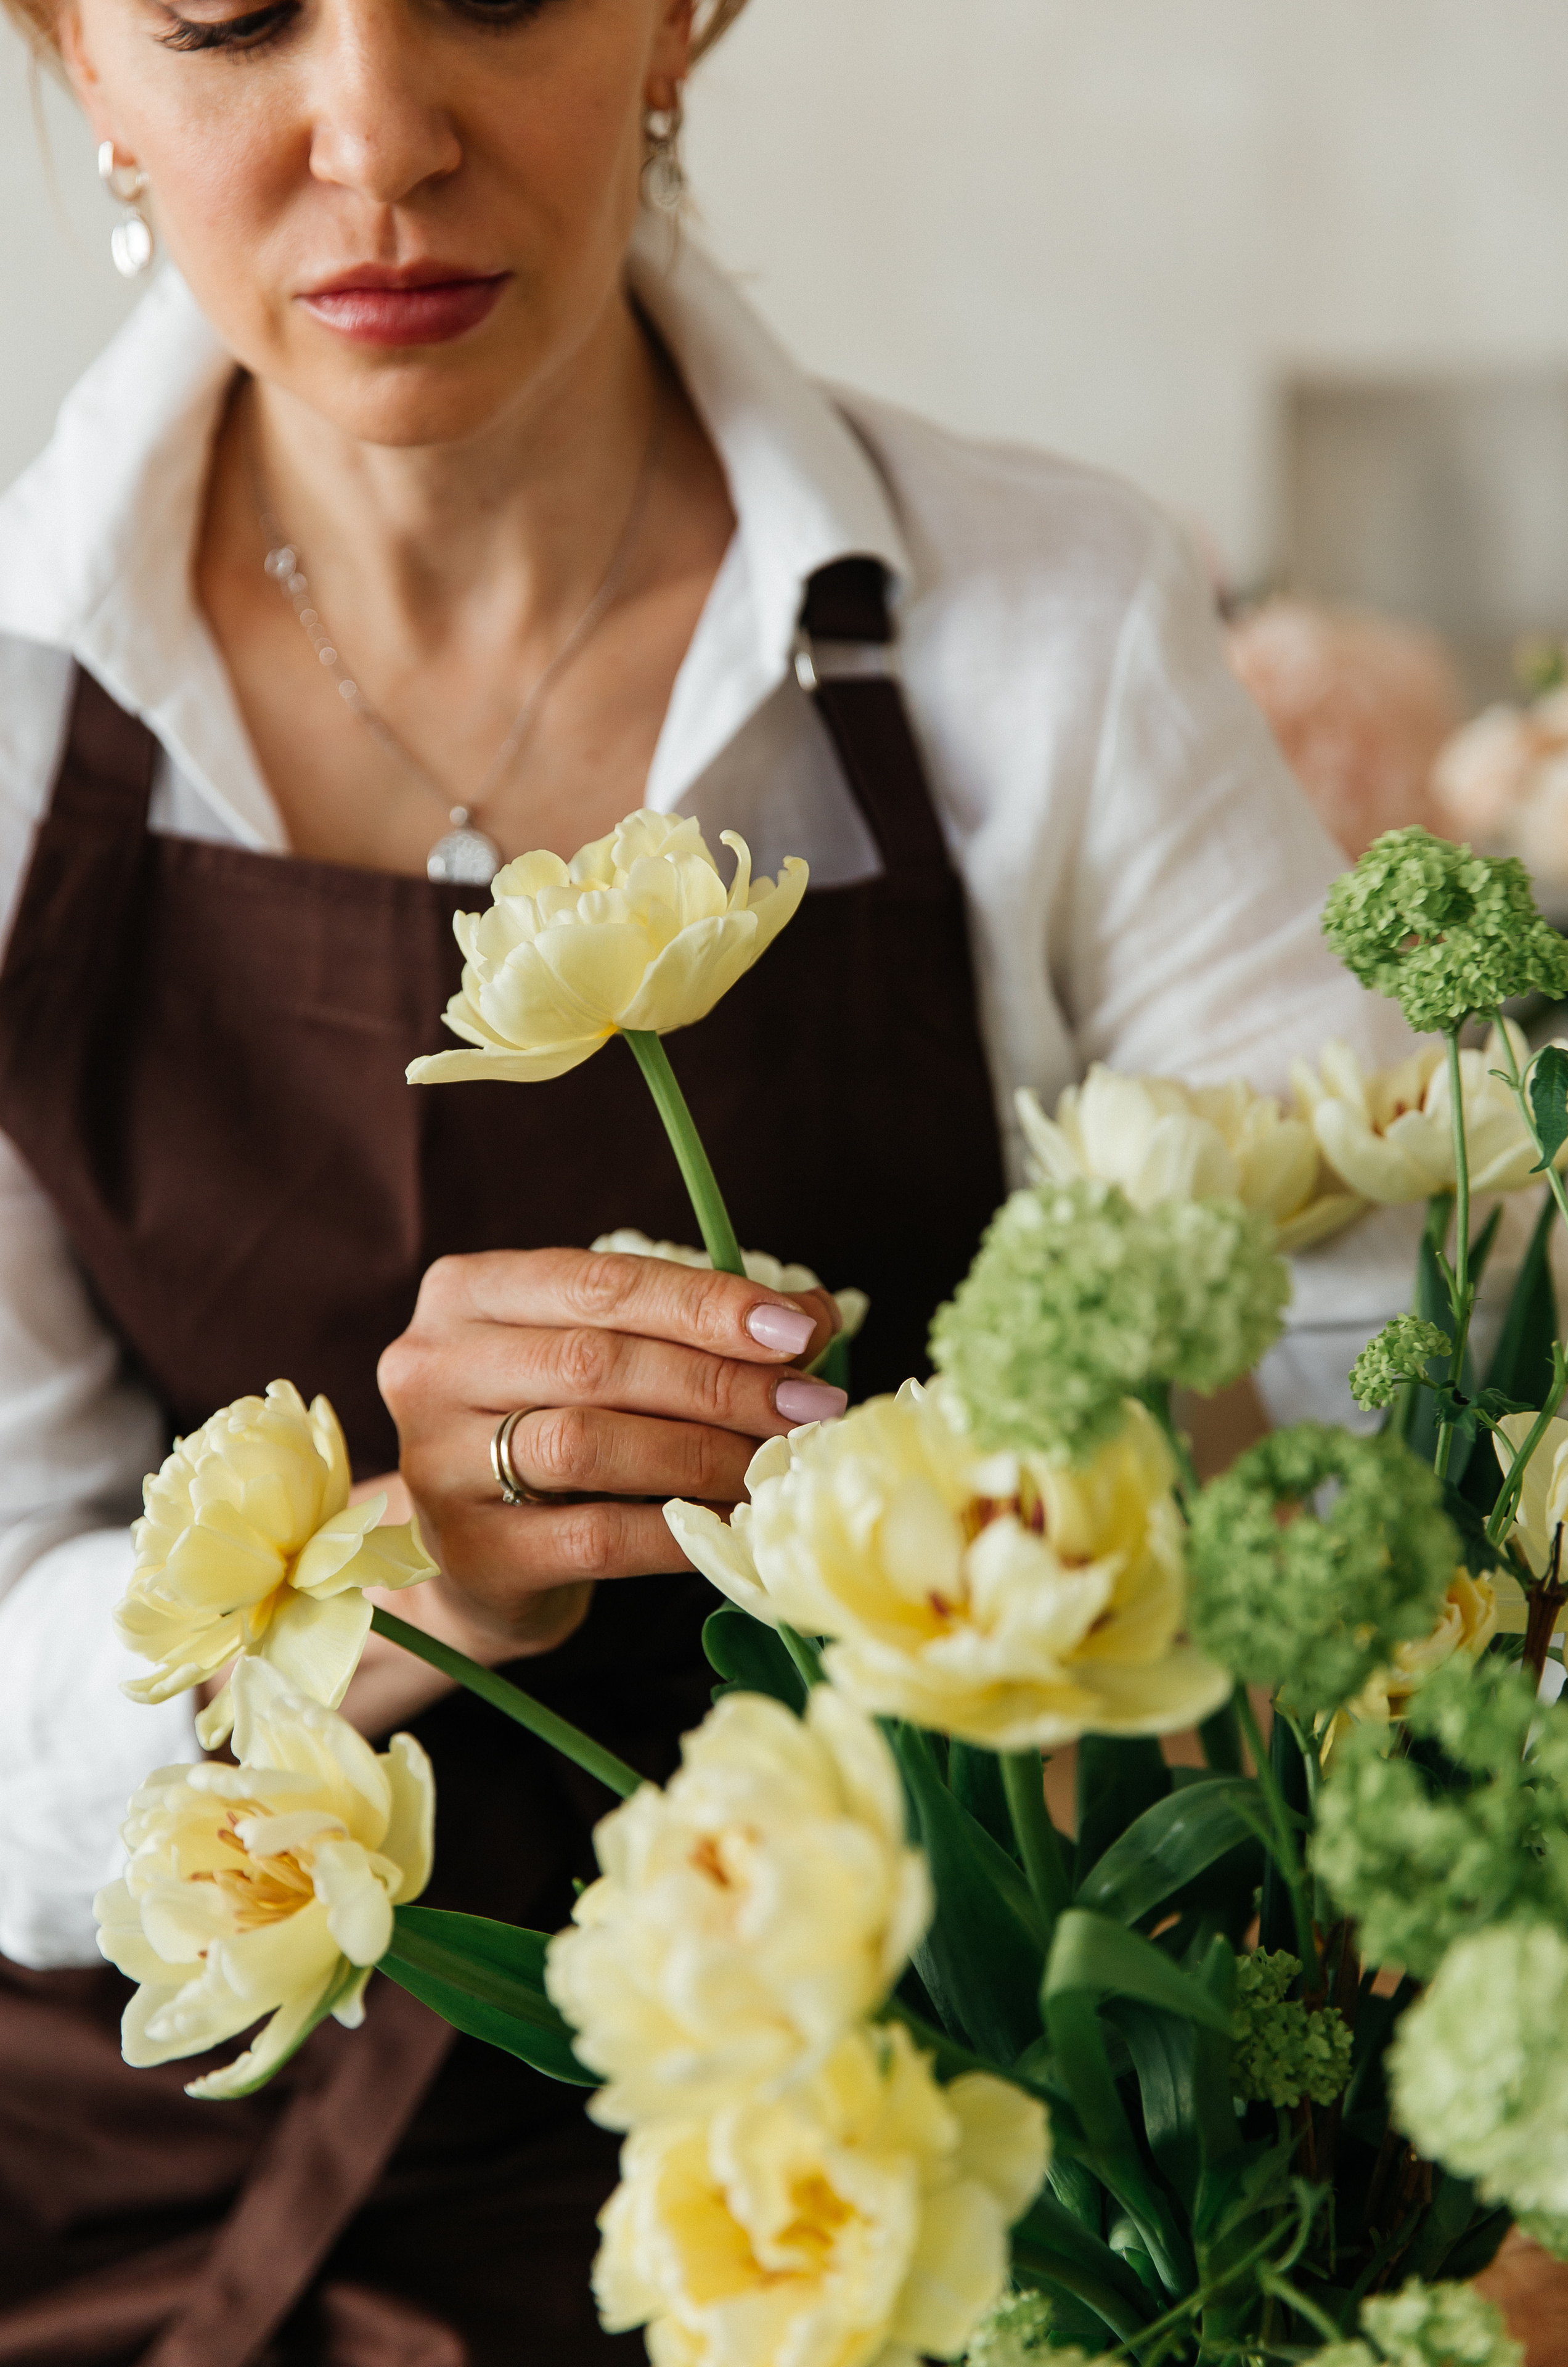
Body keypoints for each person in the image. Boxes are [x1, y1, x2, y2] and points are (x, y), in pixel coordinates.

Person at [0, 0, 1409, 2355]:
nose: (380, 137)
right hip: (178, 2181)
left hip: (963, 2153)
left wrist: (1065, 1538)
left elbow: (1398, 1442)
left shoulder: (1050, 630)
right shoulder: (13, 714)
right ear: (77, 60)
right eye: (231, 14)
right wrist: (403, 1574)